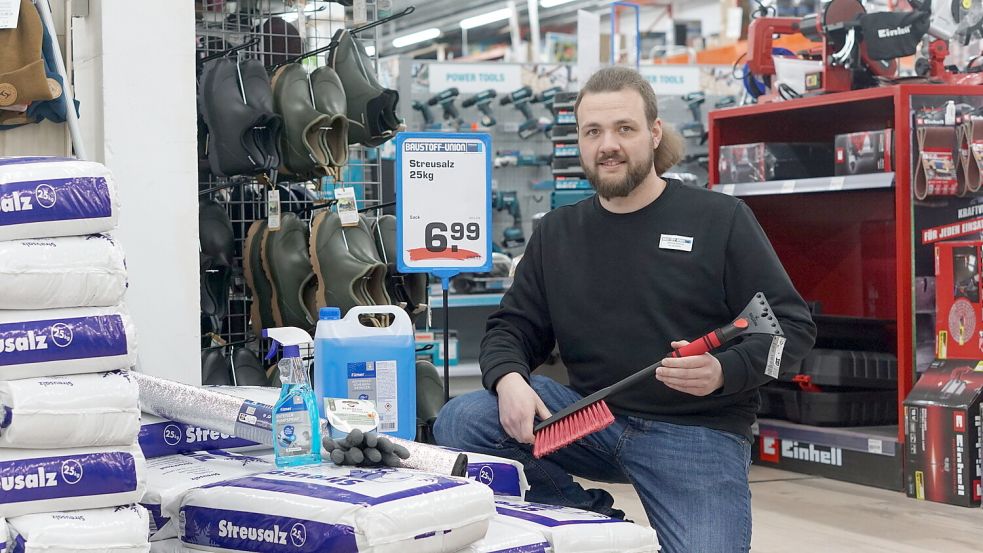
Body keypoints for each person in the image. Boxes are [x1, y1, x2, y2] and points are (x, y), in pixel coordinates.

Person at [433, 66, 816, 553]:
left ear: (654, 133)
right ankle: (590, 521)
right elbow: (512, 326)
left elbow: (794, 331)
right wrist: (509, 379)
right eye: (593, 131)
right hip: (588, 420)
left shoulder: (721, 220)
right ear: (579, 140)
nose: (607, 144)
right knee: (463, 419)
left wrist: (724, 370)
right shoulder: (557, 233)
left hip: (696, 434)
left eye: (624, 129)